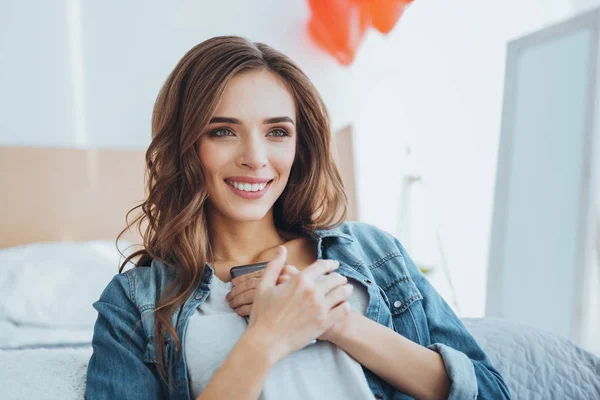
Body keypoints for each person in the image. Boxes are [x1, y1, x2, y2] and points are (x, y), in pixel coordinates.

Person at [85, 36, 512, 400]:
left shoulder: (373, 253)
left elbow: (490, 392)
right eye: (222, 131)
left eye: (277, 132)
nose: (255, 158)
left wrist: (338, 321)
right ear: (185, 144)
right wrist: (267, 338)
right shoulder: (136, 302)